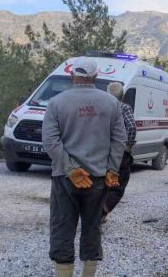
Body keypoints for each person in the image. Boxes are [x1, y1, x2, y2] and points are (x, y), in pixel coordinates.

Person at [42, 57, 126, 277]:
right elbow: (119, 140)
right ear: (96, 77)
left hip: (65, 179)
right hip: (98, 179)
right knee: (92, 229)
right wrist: (112, 170)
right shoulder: (111, 103)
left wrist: (70, 168)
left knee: (62, 229)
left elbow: (51, 141)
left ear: (72, 76)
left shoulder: (57, 102)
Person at [103, 82, 137, 219]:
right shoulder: (124, 107)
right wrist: (126, 145)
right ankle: (102, 212)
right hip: (119, 152)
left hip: (100, 150)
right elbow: (132, 127)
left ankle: (95, 213)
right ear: (122, 95)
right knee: (118, 184)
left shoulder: (101, 107)